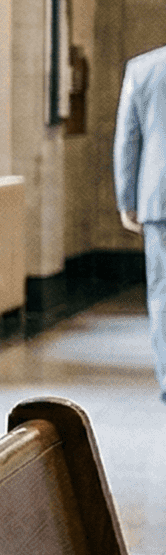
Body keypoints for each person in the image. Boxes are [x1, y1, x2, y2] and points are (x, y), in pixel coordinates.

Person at [113, 43, 166, 401]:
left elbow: (127, 138)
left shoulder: (143, 68)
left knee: (163, 293)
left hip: (159, 197)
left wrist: (127, 199)